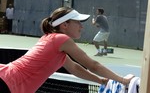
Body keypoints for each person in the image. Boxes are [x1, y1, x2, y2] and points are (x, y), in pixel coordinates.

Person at [0, 7, 133, 93]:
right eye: (78, 22)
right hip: (7, 82)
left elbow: (75, 68)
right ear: (64, 25)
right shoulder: (61, 39)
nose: (82, 27)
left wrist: (101, 81)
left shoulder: (53, 42)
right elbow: (93, 65)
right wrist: (122, 80)